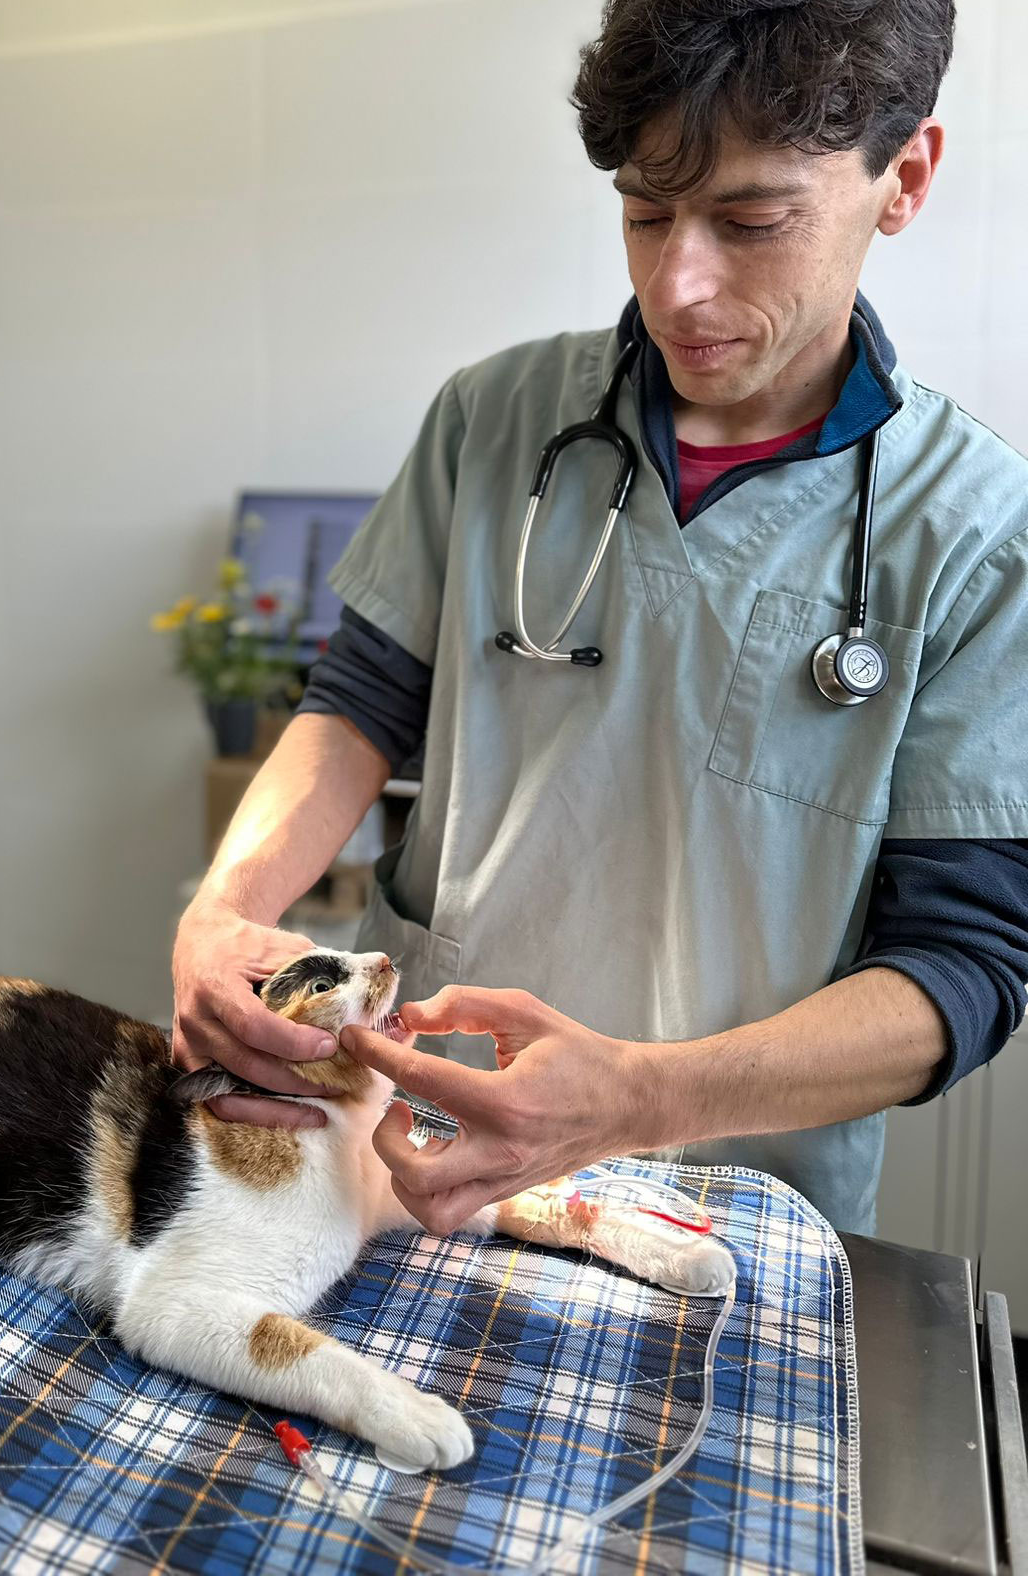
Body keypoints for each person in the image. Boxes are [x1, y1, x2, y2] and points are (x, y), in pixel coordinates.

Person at [170, 0, 1028, 1235]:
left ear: (904, 179)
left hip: (728, 1199)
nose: (679, 284)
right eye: (643, 211)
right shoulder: (495, 419)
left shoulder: (977, 534)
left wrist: (637, 1098)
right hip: (415, 1146)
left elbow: (962, 967)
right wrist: (228, 906)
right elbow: (356, 703)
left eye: (751, 221)